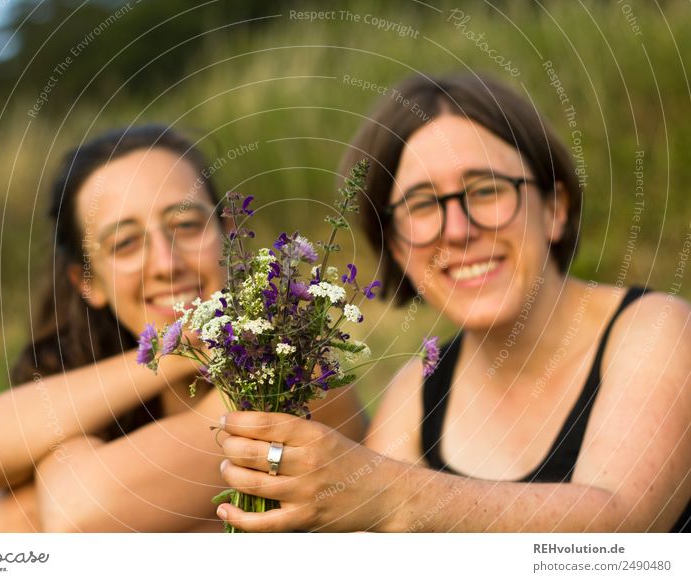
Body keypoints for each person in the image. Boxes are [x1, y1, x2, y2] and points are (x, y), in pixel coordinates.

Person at [216, 73, 691, 532]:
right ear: (398, 247)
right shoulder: (416, 393)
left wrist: (390, 497)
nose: (459, 232)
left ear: (556, 208)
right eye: (422, 205)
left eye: (485, 191)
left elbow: (625, 526)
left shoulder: (657, 331)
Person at [0, 124, 365, 532]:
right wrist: (178, 351)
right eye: (126, 243)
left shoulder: (292, 374)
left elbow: (82, 510)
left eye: (187, 226)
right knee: (19, 503)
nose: (167, 264)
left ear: (229, 232)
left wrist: (55, 445)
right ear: (88, 282)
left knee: (26, 501)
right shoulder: (118, 380)